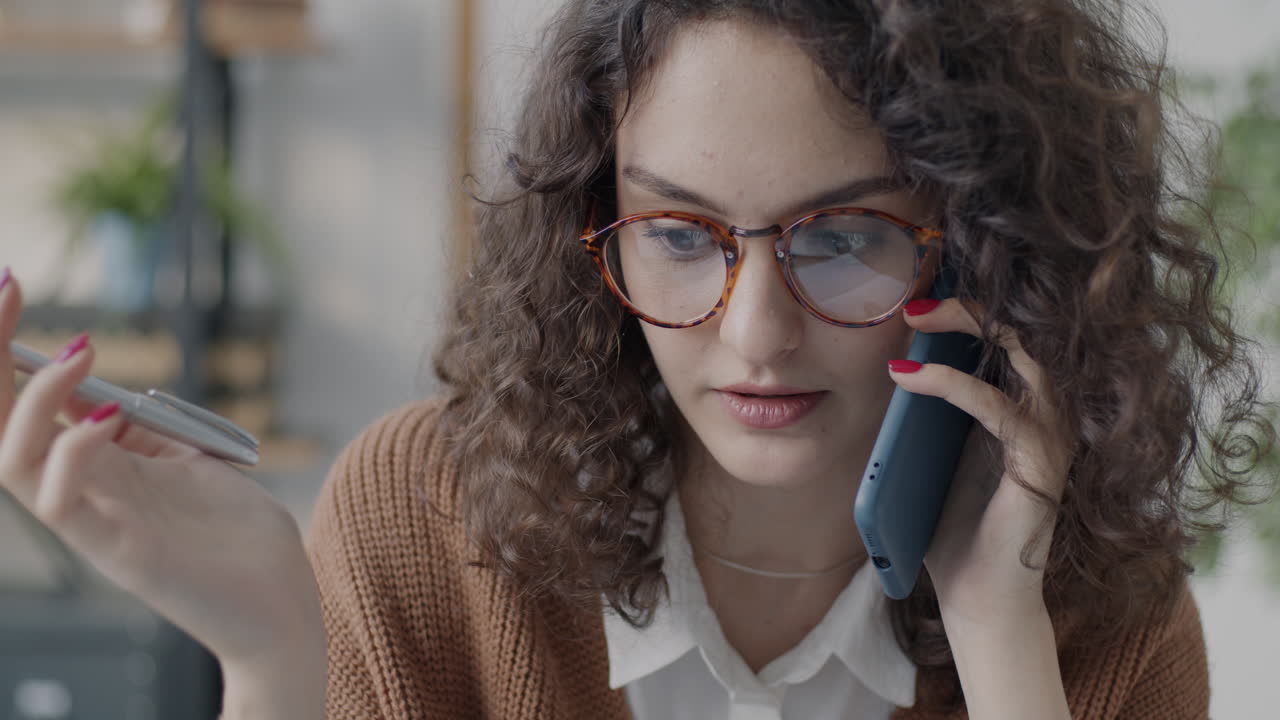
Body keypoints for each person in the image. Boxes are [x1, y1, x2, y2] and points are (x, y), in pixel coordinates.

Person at [1, 0, 1275, 718]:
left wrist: (1000, 632)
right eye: (677, 233)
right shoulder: (417, 525)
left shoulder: (1093, 608)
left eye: (842, 236)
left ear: (986, 252)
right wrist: (275, 656)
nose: (753, 331)